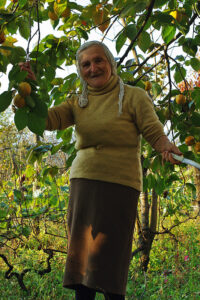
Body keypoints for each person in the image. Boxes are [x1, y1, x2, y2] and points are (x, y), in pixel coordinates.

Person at [20, 40, 182, 300]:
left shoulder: (133, 95)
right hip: (83, 184)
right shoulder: (78, 101)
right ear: (80, 70)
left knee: (111, 260)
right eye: (86, 64)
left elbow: (153, 130)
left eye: (98, 61)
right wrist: (29, 91)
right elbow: (47, 120)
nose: (92, 68)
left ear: (110, 63)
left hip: (120, 185)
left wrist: (165, 146)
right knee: (82, 260)